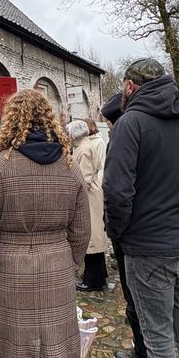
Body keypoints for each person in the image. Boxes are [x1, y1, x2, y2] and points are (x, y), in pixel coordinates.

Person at [103, 58, 179, 358]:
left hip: (149, 248)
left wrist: (118, 231)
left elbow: (116, 190)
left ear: (130, 86)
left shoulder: (130, 123)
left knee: (158, 338)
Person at [0, 89, 91, 358]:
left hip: (10, 271)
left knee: (16, 351)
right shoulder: (69, 166)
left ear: (10, 120)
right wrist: (69, 261)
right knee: (58, 350)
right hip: (58, 269)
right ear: (49, 119)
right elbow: (82, 230)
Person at [100, 93, 147, 358]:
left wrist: (115, 231)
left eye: (109, 123)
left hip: (133, 235)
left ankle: (143, 354)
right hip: (173, 232)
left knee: (136, 297)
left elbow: (116, 191)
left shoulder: (124, 138)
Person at [66, 119, 108, 292]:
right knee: (95, 236)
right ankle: (99, 275)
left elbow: (84, 179)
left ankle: (92, 280)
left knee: (91, 237)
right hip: (92, 194)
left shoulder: (83, 149)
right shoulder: (86, 145)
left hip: (89, 196)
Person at [85, 118, 106, 185]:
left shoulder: (99, 142)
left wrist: (99, 184)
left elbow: (101, 163)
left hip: (94, 181)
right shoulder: (83, 141)